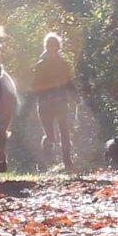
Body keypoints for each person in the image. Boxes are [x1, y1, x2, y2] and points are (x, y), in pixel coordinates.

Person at [30, 33, 80, 171]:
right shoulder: (41, 64)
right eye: (51, 47)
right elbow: (35, 85)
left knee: (64, 132)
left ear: (57, 48)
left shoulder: (62, 64)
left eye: (55, 47)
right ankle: (48, 162)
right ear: (47, 47)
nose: (53, 49)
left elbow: (68, 81)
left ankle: (67, 162)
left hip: (58, 102)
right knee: (52, 135)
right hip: (48, 103)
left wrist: (75, 96)